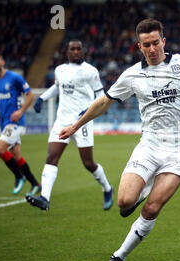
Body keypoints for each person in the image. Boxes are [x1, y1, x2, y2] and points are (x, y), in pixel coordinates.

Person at [58, 19, 180, 261]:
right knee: (124, 201)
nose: (153, 48)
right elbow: (104, 102)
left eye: (156, 42)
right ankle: (145, 188)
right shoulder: (133, 74)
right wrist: (75, 126)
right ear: (139, 46)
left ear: (163, 41)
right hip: (150, 144)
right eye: (147, 44)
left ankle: (119, 255)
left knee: (153, 205)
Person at [25, 40, 114, 211]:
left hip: (82, 122)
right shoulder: (60, 70)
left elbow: (101, 95)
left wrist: (89, 110)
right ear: (67, 52)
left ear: (83, 51)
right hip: (62, 120)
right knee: (52, 157)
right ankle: (45, 198)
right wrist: (42, 98)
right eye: (72, 49)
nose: (75, 51)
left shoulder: (90, 71)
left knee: (88, 163)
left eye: (78, 48)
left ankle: (107, 188)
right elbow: (57, 87)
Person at [0, 53, 41, 195]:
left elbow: (30, 94)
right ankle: (35, 184)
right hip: (3, 123)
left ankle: (19, 177)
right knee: (16, 156)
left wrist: (21, 111)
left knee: (0, 149)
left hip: (15, 123)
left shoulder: (14, 78)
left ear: (2, 62)